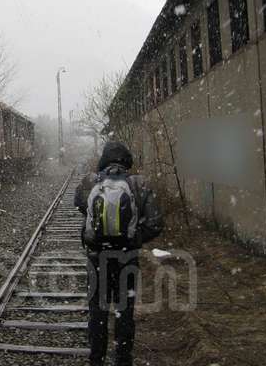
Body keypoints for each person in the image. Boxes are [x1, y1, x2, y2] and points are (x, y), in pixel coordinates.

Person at [74, 141, 163, 366]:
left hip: (97, 259)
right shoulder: (138, 184)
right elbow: (155, 224)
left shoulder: (90, 181)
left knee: (98, 313)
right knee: (124, 312)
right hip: (127, 260)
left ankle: (97, 359)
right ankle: (123, 360)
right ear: (127, 160)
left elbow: (78, 204)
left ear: (104, 159)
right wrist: (133, 238)